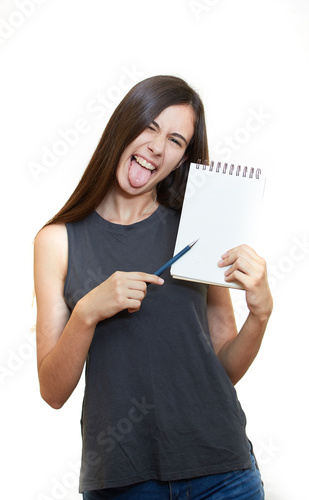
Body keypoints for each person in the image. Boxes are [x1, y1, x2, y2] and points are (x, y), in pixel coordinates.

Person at [33, 75, 273, 499]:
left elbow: (225, 370)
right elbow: (52, 392)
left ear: (182, 159)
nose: (158, 147)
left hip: (223, 471)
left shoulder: (198, 229)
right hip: (122, 482)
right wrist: (88, 311)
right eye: (150, 127)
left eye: (176, 140)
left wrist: (261, 314)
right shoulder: (57, 241)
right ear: (123, 126)